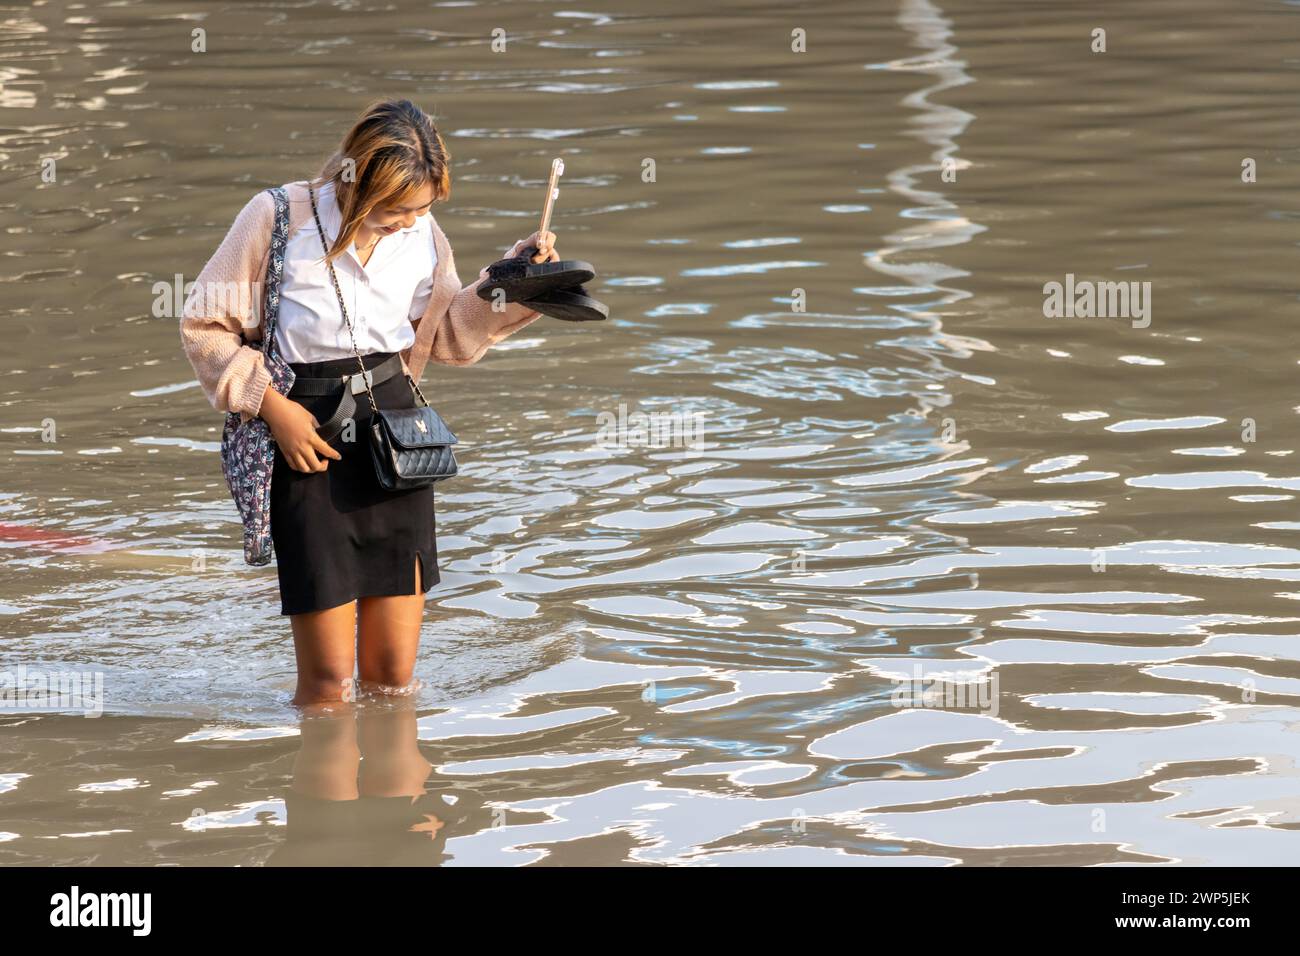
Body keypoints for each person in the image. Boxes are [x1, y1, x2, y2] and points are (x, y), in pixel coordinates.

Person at [179, 98, 557, 706]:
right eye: (395, 211)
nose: (410, 223)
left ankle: (400, 797)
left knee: (392, 681)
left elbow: (448, 334)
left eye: (423, 209)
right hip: (307, 442)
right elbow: (204, 326)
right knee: (328, 687)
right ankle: (321, 791)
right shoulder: (277, 218)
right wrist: (273, 408)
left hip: (398, 443)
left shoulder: (424, 234)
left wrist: (514, 282)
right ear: (356, 182)